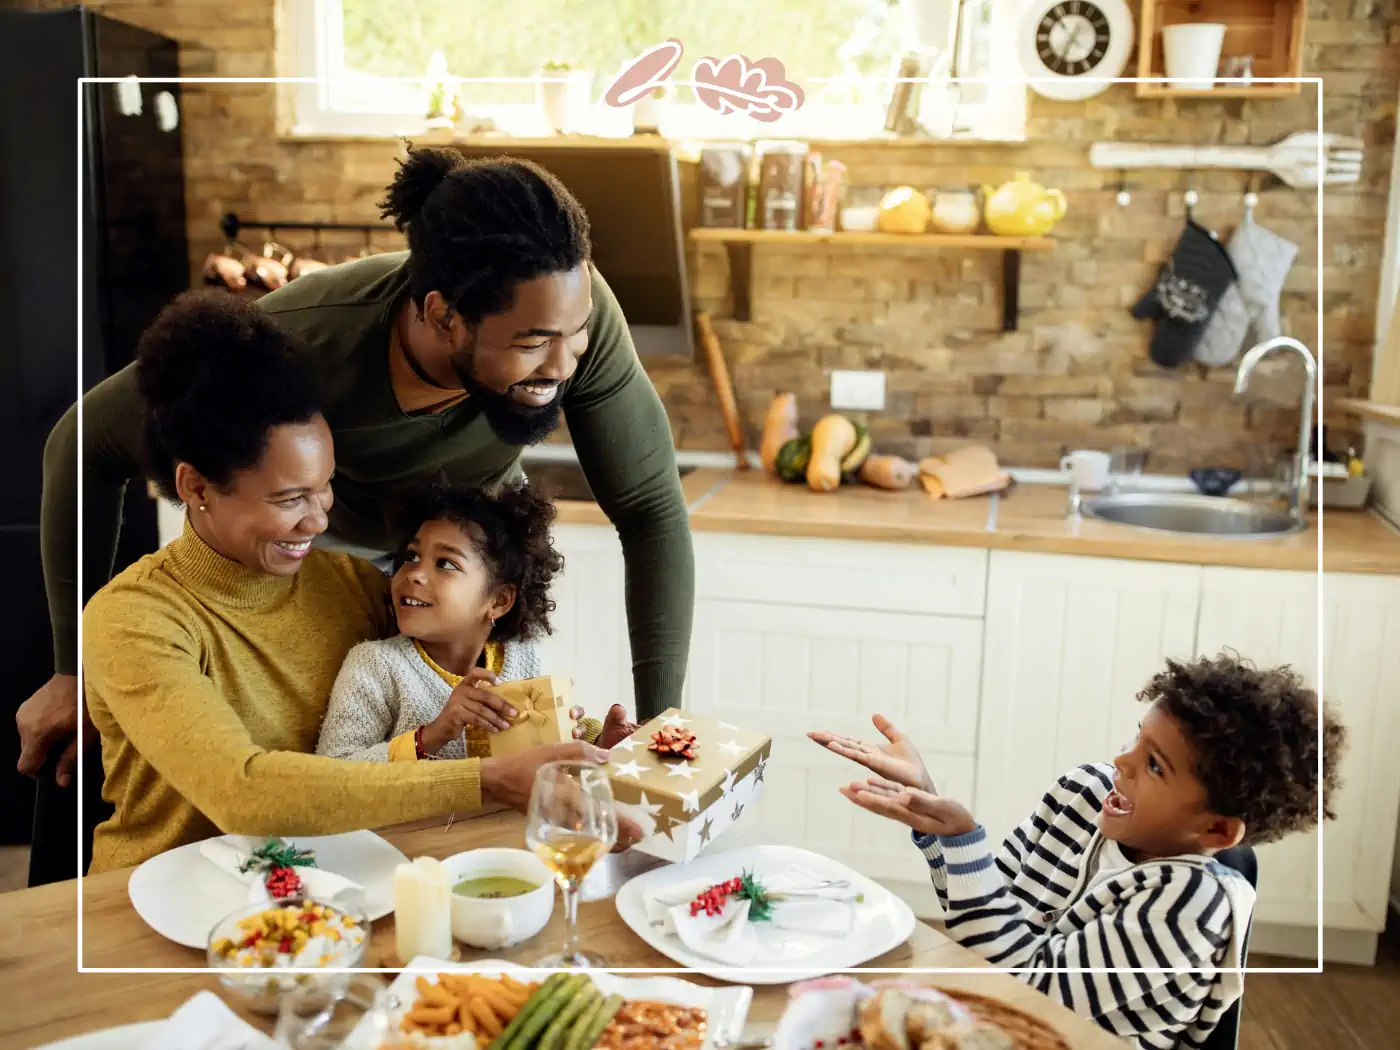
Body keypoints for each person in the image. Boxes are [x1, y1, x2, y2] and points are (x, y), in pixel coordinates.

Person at [21, 146, 693, 876]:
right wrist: (72, 666)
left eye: (579, 334)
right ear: (442, 316)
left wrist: (646, 728)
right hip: (298, 567)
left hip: (394, 565)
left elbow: (652, 507)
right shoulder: (301, 343)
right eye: (532, 344)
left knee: (430, 757)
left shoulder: (561, 311)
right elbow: (81, 441)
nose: (565, 366)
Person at [81, 291, 637, 873]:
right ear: (196, 488)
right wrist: (487, 781)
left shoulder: (348, 583)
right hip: (154, 897)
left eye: (324, 489)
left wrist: (582, 737)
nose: (319, 520)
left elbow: (463, 668)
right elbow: (244, 792)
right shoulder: (135, 618)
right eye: (289, 499)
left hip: (317, 889)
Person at [810, 653, 1345, 1050]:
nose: (1122, 761)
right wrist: (933, 816)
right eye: (1137, 739)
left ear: (1216, 831)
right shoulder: (1083, 795)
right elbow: (988, 914)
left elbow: (1030, 989)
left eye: (1155, 766)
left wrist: (960, 839)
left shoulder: (1187, 906)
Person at [316, 478, 638, 761]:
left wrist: (600, 741)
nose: (414, 574)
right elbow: (332, 775)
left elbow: (558, 739)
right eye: (411, 556)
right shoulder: (374, 667)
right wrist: (431, 736)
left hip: (498, 829)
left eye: (445, 563)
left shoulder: (523, 657)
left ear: (498, 601)